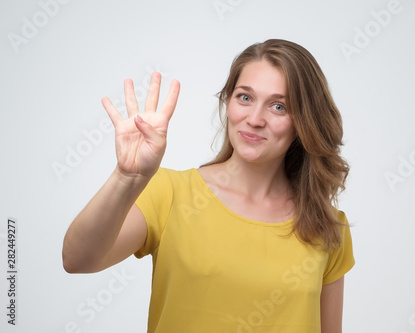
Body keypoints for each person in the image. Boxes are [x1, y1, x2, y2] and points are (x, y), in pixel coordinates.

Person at [62, 39, 355, 333]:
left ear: (304, 121)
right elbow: (77, 259)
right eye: (245, 98)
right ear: (227, 102)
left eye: (278, 107)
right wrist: (126, 178)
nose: (254, 119)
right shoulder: (170, 192)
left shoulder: (326, 227)